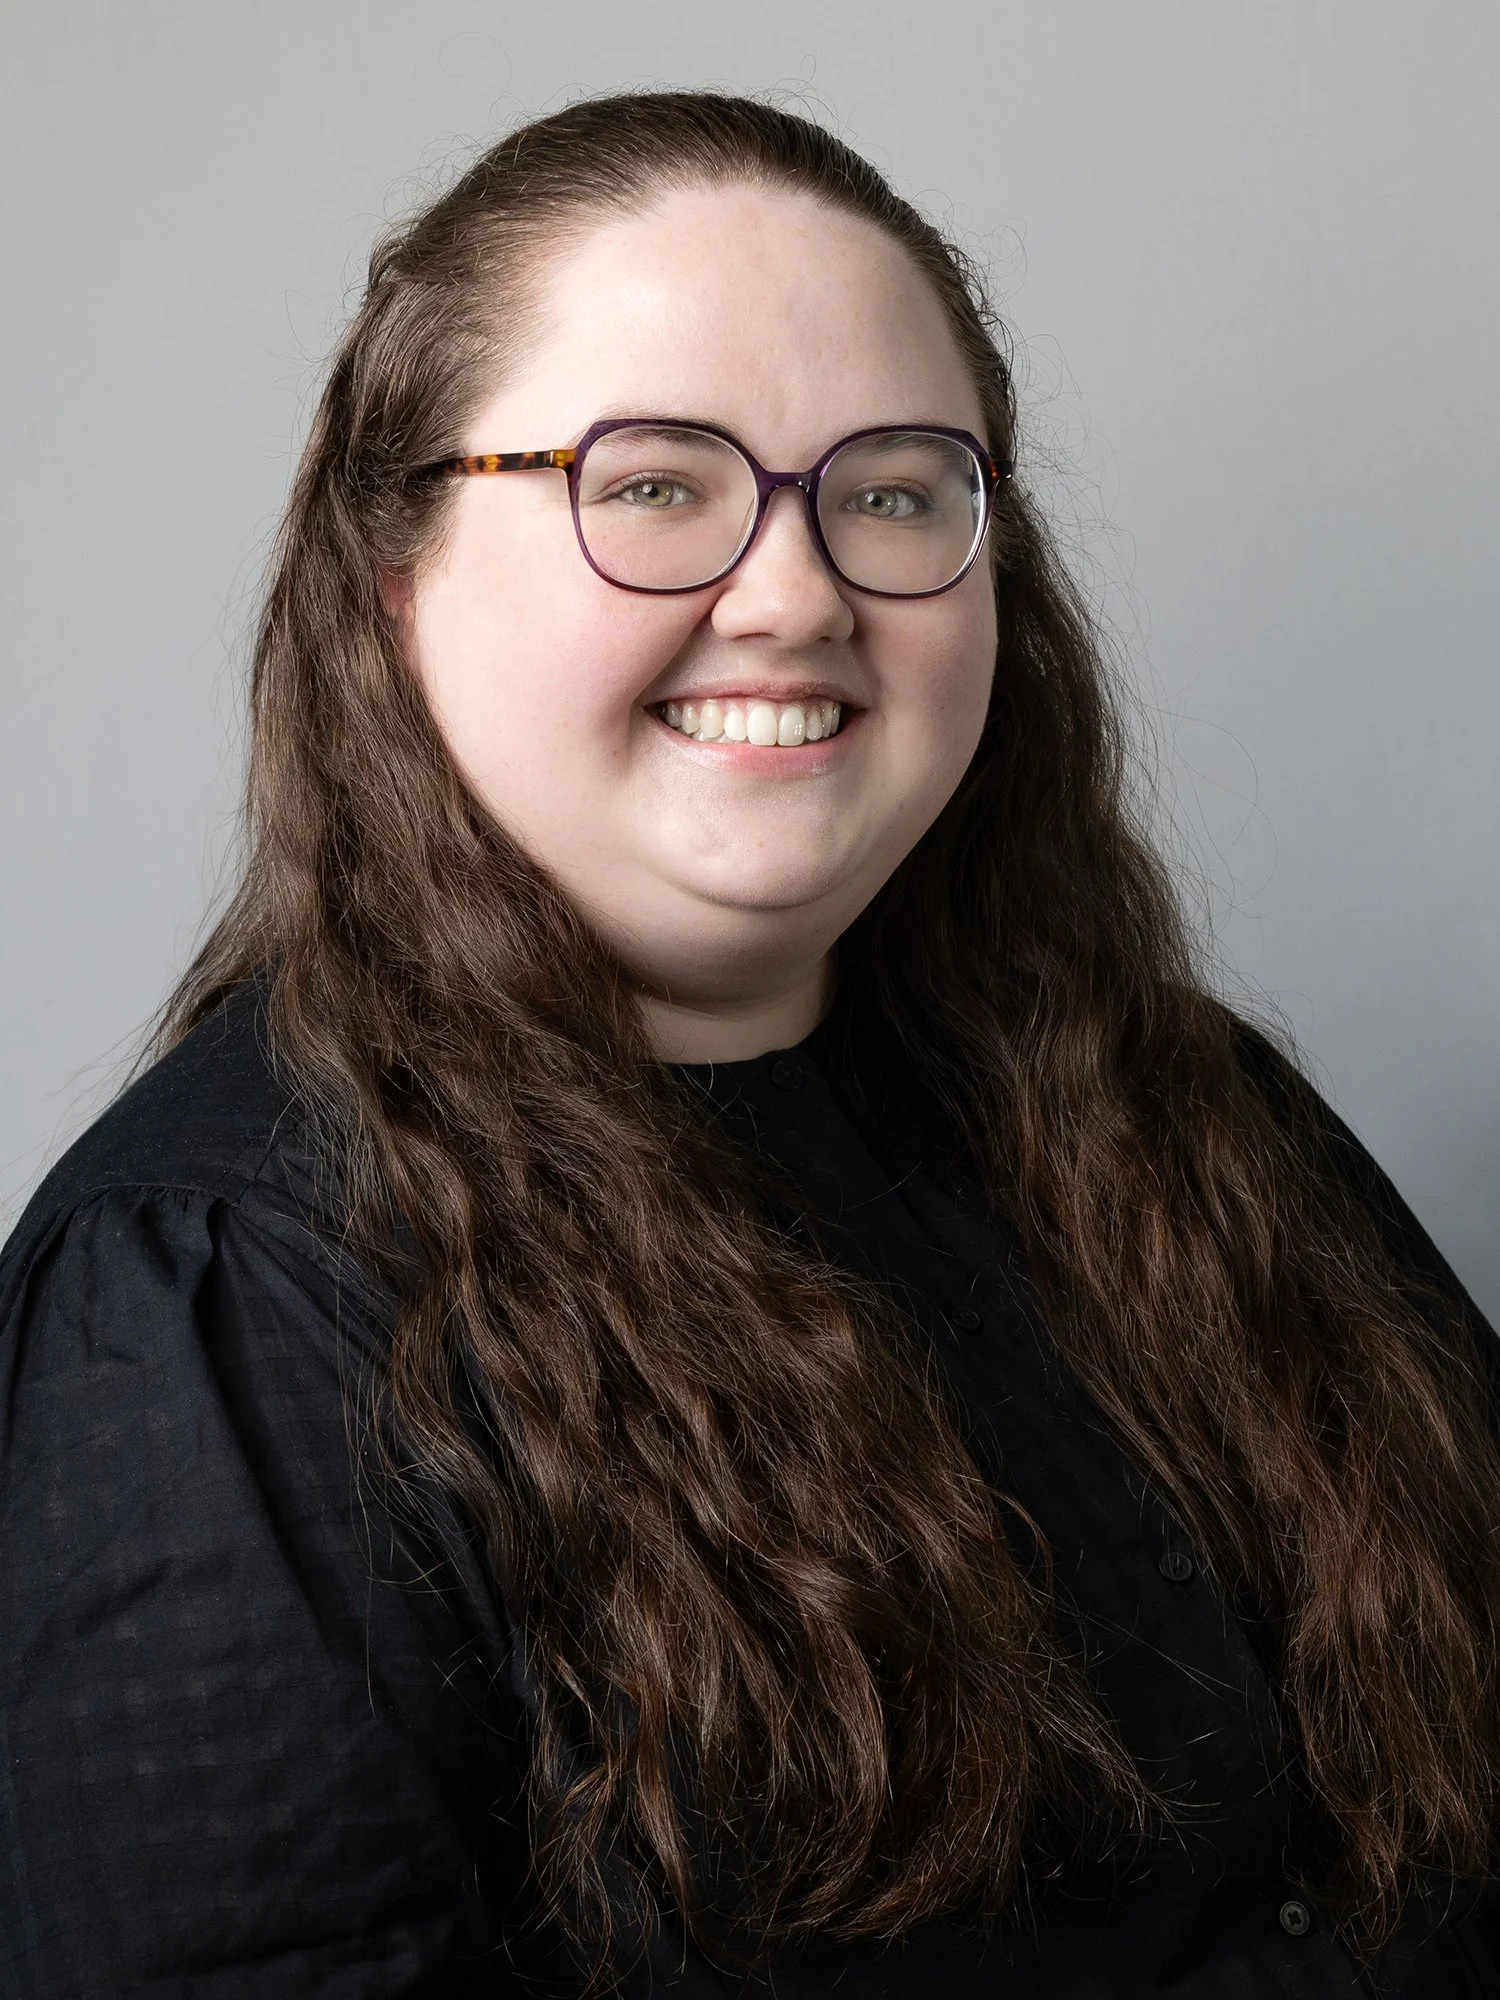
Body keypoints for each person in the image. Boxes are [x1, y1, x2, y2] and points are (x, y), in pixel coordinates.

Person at [1, 91, 1496, 1999]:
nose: (792, 595)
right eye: (651, 484)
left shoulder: (1194, 1121)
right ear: (396, 587)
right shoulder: (218, 1304)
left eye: (889, 489)